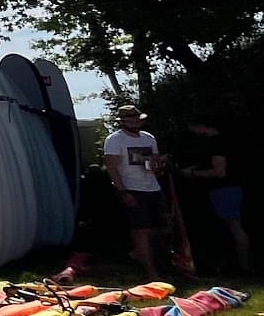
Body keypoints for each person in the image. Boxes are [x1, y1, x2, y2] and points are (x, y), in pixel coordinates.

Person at [103, 105, 172, 280]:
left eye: (136, 118)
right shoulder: (115, 140)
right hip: (132, 188)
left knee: (160, 228)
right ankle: (151, 272)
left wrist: (159, 163)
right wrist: (123, 191)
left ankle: (144, 255)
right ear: (122, 121)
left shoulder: (149, 138)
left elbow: (153, 166)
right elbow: (112, 167)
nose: (134, 121)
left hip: (153, 187)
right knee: (142, 229)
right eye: (130, 119)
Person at [178, 119, 251, 272]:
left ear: (202, 126)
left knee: (234, 226)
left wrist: (192, 173)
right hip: (231, 188)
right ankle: (237, 264)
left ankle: (243, 266)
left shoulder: (217, 143)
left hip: (224, 190)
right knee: (232, 226)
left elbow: (219, 172)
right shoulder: (229, 140)